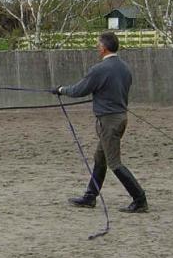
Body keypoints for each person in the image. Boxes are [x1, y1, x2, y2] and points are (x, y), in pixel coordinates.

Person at [54, 31, 148, 213]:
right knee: (100, 158)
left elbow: (79, 90)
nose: (98, 47)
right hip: (120, 117)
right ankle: (90, 196)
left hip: (109, 121)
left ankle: (140, 199)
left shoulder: (99, 69)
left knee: (114, 163)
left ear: (104, 47)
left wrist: (60, 89)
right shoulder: (125, 68)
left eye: (98, 44)